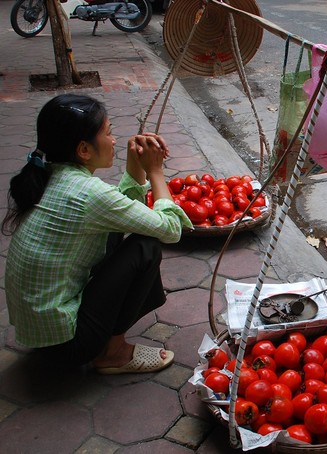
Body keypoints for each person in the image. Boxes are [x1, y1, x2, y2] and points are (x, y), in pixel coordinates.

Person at [2, 94, 193, 374]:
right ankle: (112, 353)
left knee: (119, 230)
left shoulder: (50, 174)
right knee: (146, 246)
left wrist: (134, 165)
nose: (115, 141)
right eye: (109, 132)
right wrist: (155, 171)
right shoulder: (87, 192)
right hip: (68, 346)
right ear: (83, 150)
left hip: (42, 335)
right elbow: (171, 229)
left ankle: (102, 340)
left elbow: (122, 211)